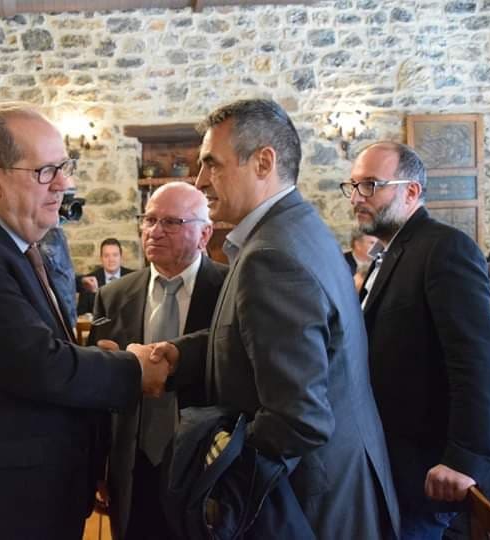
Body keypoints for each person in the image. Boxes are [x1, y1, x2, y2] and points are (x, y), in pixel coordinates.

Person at [0, 102, 167, 539]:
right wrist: (134, 368)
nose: (64, 184)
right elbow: (36, 363)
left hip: (33, 488)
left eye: (64, 167)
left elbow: (28, 348)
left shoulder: (19, 245)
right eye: (45, 171)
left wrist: (90, 356)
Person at [150, 99, 400, 538]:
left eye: (212, 163)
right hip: (334, 489)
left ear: (263, 162)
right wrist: (179, 355)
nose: (201, 180)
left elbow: (299, 418)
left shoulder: (271, 255)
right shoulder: (294, 228)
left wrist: (219, 474)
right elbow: (256, 336)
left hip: (307, 507)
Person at [346, 141, 490, 539]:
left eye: (370, 185)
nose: (357, 197)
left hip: (429, 470)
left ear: (411, 191)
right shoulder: (389, 253)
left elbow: (476, 362)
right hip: (392, 461)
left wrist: (465, 459)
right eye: (353, 186)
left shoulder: (444, 248)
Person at [89, 182, 228, 540]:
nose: (154, 231)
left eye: (171, 222)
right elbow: (95, 397)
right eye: (149, 219)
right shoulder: (112, 297)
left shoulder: (229, 291)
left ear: (204, 234)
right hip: (132, 467)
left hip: (204, 468)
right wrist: (97, 467)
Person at [76, 238, 134, 315]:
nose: (111, 259)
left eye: (115, 255)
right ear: (101, 258)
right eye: (106, 256)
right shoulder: (89, 281)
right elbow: (81, 314)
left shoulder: (133, 278)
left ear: (121, 257)